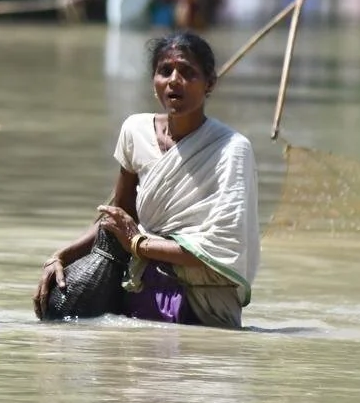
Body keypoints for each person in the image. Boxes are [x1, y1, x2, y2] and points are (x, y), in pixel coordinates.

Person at [33, 32, 260, 329]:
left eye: (188, 72)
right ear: (154, 82)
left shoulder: (232, 148)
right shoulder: (134, 131)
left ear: (210, 84)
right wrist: (60, 256)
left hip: (204, 303)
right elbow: (118, 221)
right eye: (165, 71)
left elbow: (221, 248)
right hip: (140, 290)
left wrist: (138, 243)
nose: (174, 80)